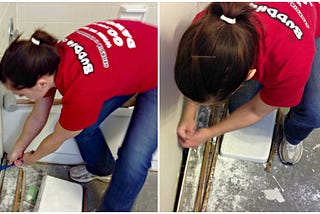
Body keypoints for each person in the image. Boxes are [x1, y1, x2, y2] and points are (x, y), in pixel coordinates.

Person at [0, 19, 157, 211]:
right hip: (130, 60)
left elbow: (56, 139)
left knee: (132, 162)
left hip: (161, 69)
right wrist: (19, 147)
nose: (20, 97)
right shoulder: (48, 60)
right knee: (82, 127)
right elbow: (38, 116)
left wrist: (33, 158)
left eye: (21, 94)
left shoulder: (81, 92)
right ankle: (102, 169)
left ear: (40, 83)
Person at [175, 2, 320, 165]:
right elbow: (199, 73)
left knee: (314, 112)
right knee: (237, 108)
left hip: (311, 23)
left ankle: (293, 136)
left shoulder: (293, 65)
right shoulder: (208, 24)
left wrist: (209, 132)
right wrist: (189, 114)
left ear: (249, 75)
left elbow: (255, 111)